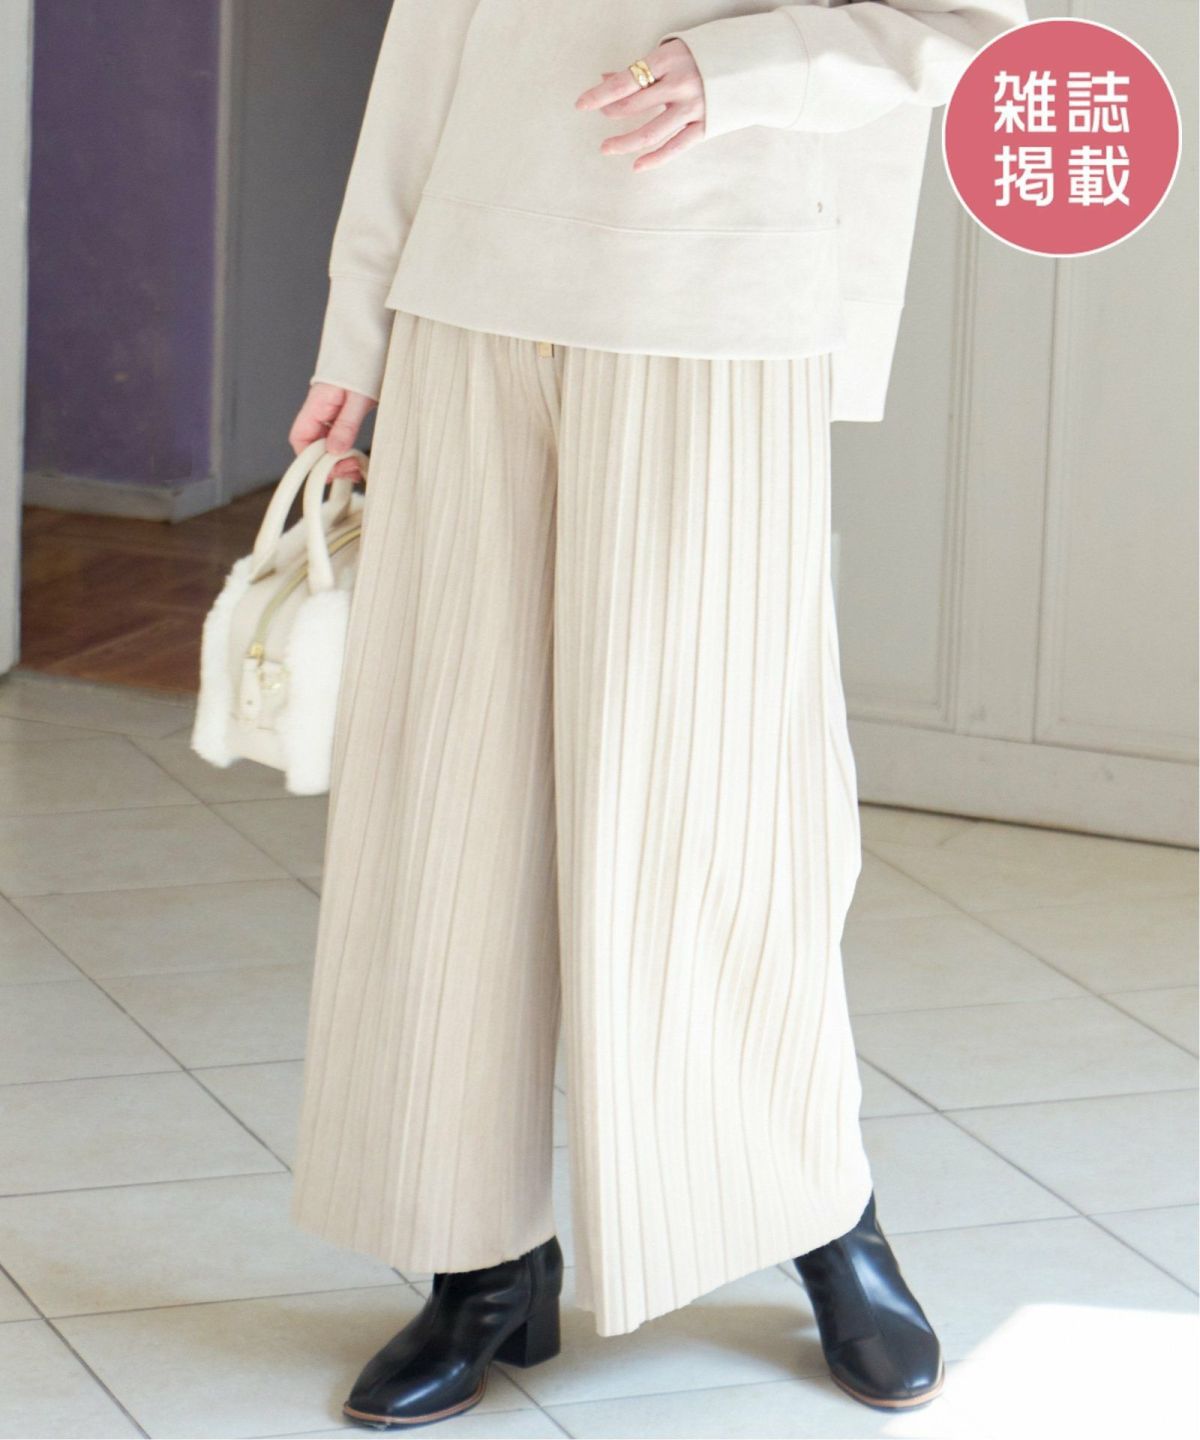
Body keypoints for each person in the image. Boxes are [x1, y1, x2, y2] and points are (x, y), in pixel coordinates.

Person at [286, 1, 1026, 1429]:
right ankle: (479, 1260)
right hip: (470, 298)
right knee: (449, 805)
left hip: (720, 304)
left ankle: (819, 1206)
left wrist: (744, 68)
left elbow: (977, 27)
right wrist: (359, 321)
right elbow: (432, 42)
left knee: (717, 811)